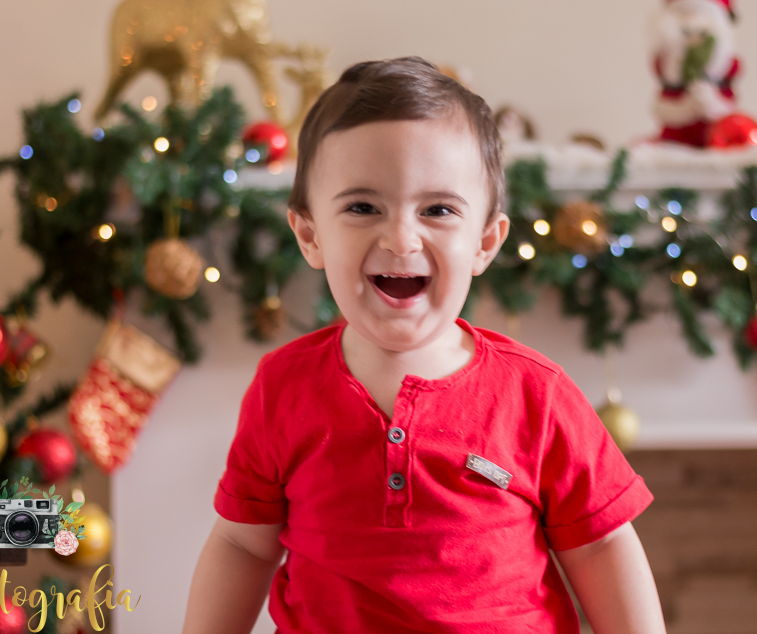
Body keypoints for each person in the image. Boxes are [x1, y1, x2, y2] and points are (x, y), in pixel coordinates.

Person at [182, 57, 666, 634]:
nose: (401, 238)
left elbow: (601, 547)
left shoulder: (537, 394)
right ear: (310, 234)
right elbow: (242, 544)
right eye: (363, 207)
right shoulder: (282, 387)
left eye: (437, 210)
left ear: (486, 241)